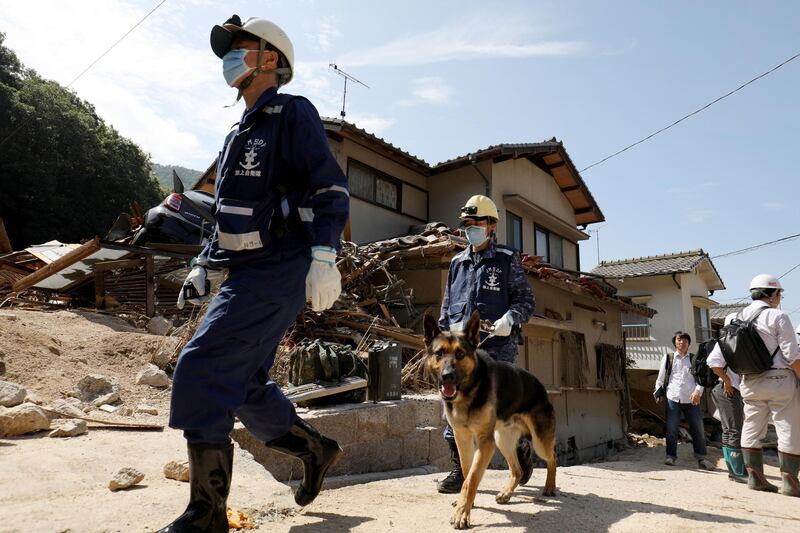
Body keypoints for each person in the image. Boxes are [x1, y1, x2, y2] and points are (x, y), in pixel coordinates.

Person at [158, 15, 350, 532]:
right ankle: (316, 450)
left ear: (271, 59)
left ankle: (207, 514)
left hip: (281, 264)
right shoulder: (236, 135)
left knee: (201, 367)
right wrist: (203, 264)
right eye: (230, 52)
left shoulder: (292, 113)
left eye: (241, 49)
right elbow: (226, 215)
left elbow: (329, 188)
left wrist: (325, 255)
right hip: (244, 269)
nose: (230, 59)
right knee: (243, 384)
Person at [436, 194, 536, 493]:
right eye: (466, 223)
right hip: (461, 354)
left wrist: (511, 318)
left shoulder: (506, 258)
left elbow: (526, 301)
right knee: (453, 411)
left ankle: (521, 454)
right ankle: (460, 471)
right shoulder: (457, 262)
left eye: (476, 222)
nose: (470, 228)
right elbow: (446, 306)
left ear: (492, 225)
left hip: (497, 351)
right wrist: (446, 332)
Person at [733, 274, 800, 496]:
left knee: (752, 427)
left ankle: (756, 479)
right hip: (779, 380)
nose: (780, 297)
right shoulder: (777, 316)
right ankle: (790, 483)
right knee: (787, 427)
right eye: (779, 293)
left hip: (749, 381)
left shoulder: (738, 316)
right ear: (772, 294)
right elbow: (792, 355)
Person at [654, 331, 716, 470]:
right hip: (673, 398)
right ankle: (670, 456)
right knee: (671, 429)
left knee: (698, 429)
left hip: (691, 399)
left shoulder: (694, 359)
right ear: (675, 342)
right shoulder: (668, 358)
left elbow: (701, 379)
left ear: (689, 343)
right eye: (679, 340)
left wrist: (698, 392)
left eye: (685, 340)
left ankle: (701, 458)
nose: (682, 342)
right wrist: (657, 392)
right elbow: (661, 377)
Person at [707, 314, 748, 483]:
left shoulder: (732, 343)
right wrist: (727, 381)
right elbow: (713, 362)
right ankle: (738, 472)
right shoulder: (725, 342)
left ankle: (733, 470)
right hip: (726, 390)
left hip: (727, 390)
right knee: (734, 430)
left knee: (728, 429)